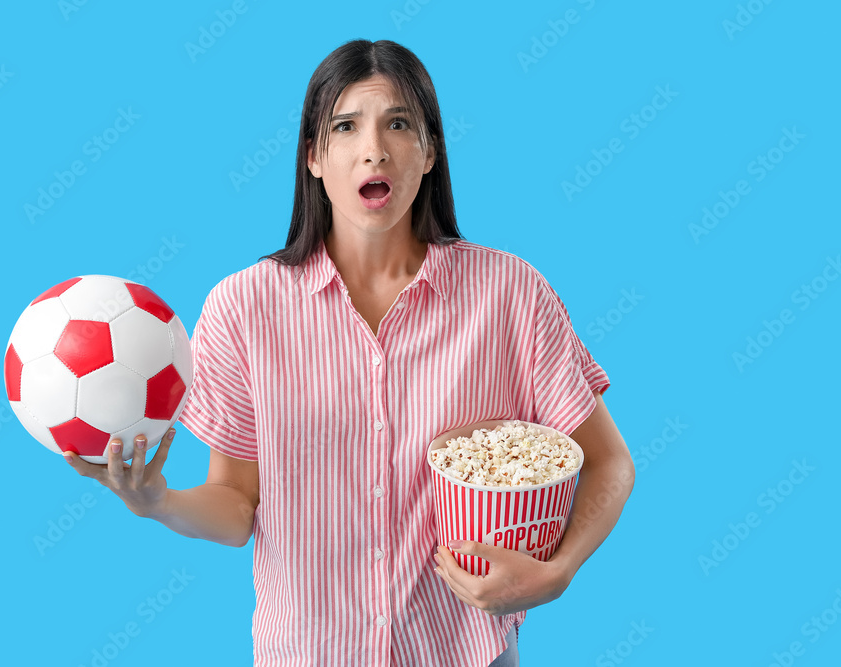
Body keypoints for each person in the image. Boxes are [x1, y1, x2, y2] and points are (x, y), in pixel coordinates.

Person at [66, 39, 635, 666]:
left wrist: (558, 573)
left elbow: (608, 464)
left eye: (398, 123)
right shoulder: (243, 308)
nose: (374, 148)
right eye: (345, 126)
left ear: (430, 151)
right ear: (314, 155)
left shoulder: (509, 294)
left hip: (466, 652)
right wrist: (157, 502)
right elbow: (236, 506)